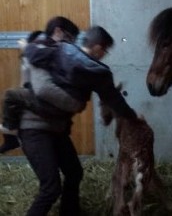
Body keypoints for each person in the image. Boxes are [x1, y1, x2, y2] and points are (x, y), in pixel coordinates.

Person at [16, 23, 137, 216]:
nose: (104, 54)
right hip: (36, 128)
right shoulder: (99, 72)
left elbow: (35, 55)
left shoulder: (60, 49)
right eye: (105, 50)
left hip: (54, 126)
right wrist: (133, 119)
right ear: (98, 48)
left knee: (74, 172)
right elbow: (115, 101)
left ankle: (70, 211)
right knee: (51, 188)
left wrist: (26, 48)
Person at [0, 17, 84, 153]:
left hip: (45, 103)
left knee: (10, 95)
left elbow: (35, 63)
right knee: (17, 96)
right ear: (58, 32)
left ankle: (9, 129)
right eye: (70, 38)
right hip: (44, 100)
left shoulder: (53, 49)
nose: (71, 43)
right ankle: (10, 133)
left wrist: (27, 48)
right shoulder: (56, 48)